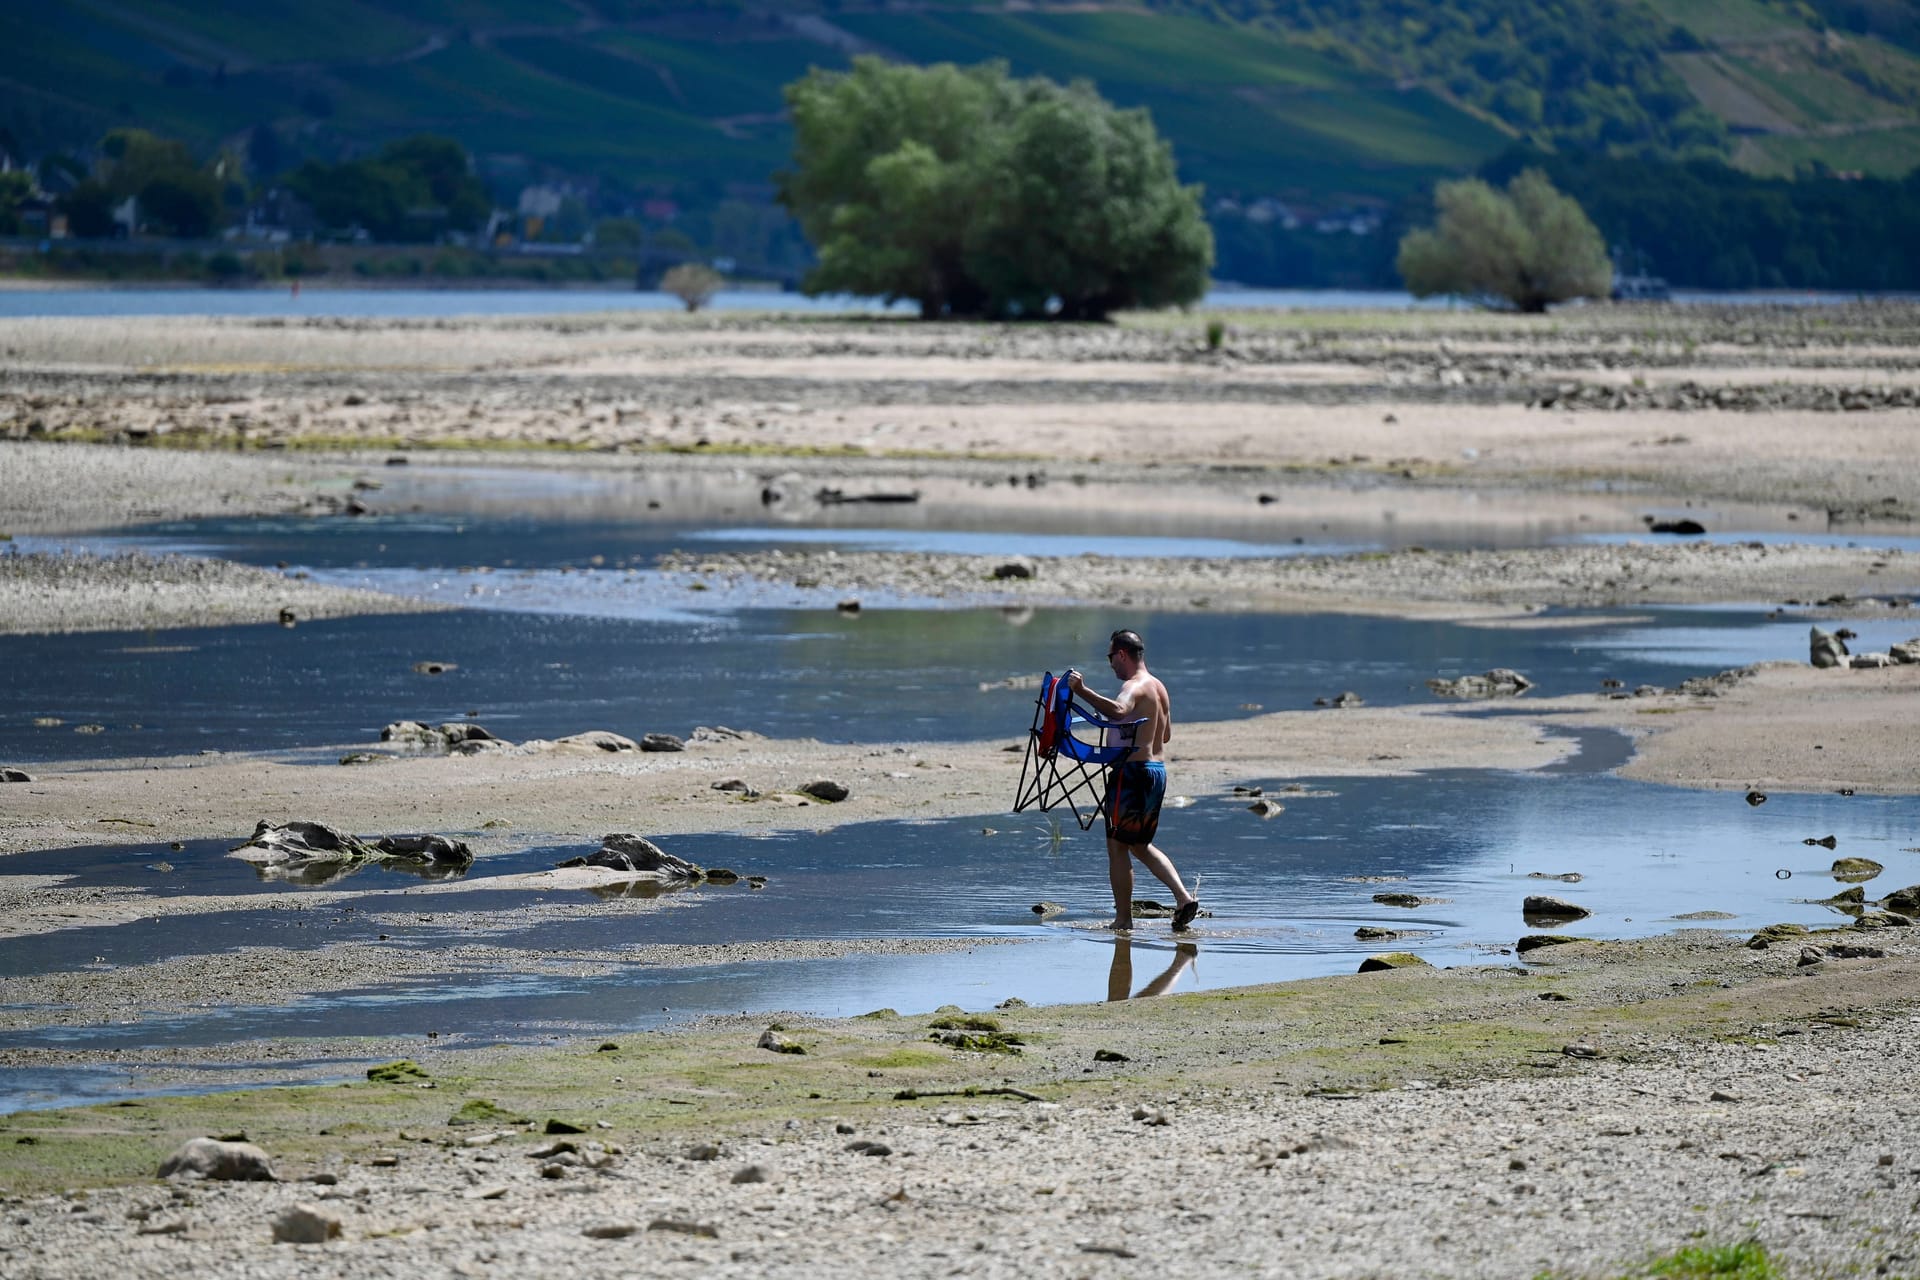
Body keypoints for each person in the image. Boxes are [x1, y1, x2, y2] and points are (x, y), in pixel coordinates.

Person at [1067, 629, 1201, 933]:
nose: (1110, 664)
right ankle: (1183, 898)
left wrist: (1082, 690)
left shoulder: (1134, 686)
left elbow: (1117, 710)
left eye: (1110, 657)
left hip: (1132, 774)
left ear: (1123, 654)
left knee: (1117, 845)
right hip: (1157, 772)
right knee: (1140, 844)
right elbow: (1164, 735)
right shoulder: (1159, 688)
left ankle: (1123, 920)